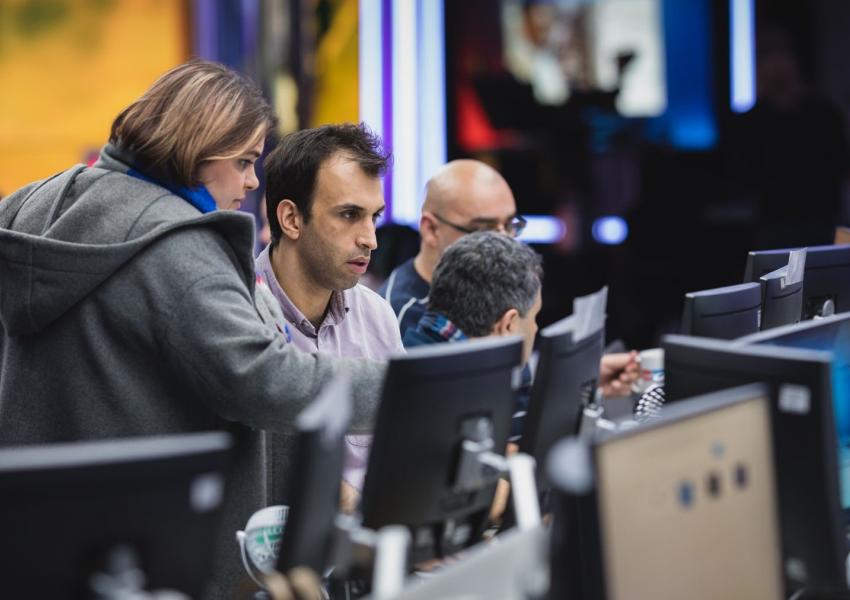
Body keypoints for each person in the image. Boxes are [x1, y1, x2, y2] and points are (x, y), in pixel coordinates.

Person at [0, 60, 385, 599]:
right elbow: (263, 380)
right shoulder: (179, 248)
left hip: (40, 544)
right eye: (246, 161)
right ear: (196, 149)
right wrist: (401, 388)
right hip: (148, 554)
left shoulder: (38, 202)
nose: (254, 181)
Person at [257, 123, 403, 506]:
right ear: (291, 219)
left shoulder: (377, 315)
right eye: (349, 214)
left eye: (374, 217)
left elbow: (404, 449)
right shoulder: (238, 316)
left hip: (381, 544)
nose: (370, 239)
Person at [405, 232, 639, 439]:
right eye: (535, 317)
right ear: (508, 325)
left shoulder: (425, 352)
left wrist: (579, 389)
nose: (535, 328)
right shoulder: (450, 398)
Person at [379, 159, 524, 340]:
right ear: (431, 229)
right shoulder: (401, 320)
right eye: (484, 230)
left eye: (510, 225)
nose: (505, 244)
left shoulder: (494, 289)